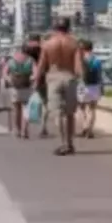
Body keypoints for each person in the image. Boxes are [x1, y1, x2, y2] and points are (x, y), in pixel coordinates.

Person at [33, 17, 84, 156]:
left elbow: (42, 64)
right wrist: (82, 81)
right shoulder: (74, 44)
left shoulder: (48, 44)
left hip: (54, 78)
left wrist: (37, 80)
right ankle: (70, 143)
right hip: (69, 77)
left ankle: (63, 144)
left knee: (58, 114)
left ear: (54, 28)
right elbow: (78, 66)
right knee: (70, 114)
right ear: (69, 27)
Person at [4, 44, 38, 139]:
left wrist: (9, 79)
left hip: (15, 87)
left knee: (16, 109)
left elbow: (5, 72)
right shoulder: (31, 60)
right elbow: (36, 73)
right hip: (26, 87)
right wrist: (32, 79)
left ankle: (17, 130)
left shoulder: (12, 60)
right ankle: (25, 130)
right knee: (26, 109)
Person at [78, 40, 104, 139]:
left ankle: (83, 127)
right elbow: (99, 76)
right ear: (91, 48)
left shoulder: (81, 60)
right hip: (94, 86)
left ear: (83, 49)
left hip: (82, 86)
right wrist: (101, 87)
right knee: (92, 109)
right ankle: (90, 130)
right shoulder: (97, 60)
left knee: (81, 109)